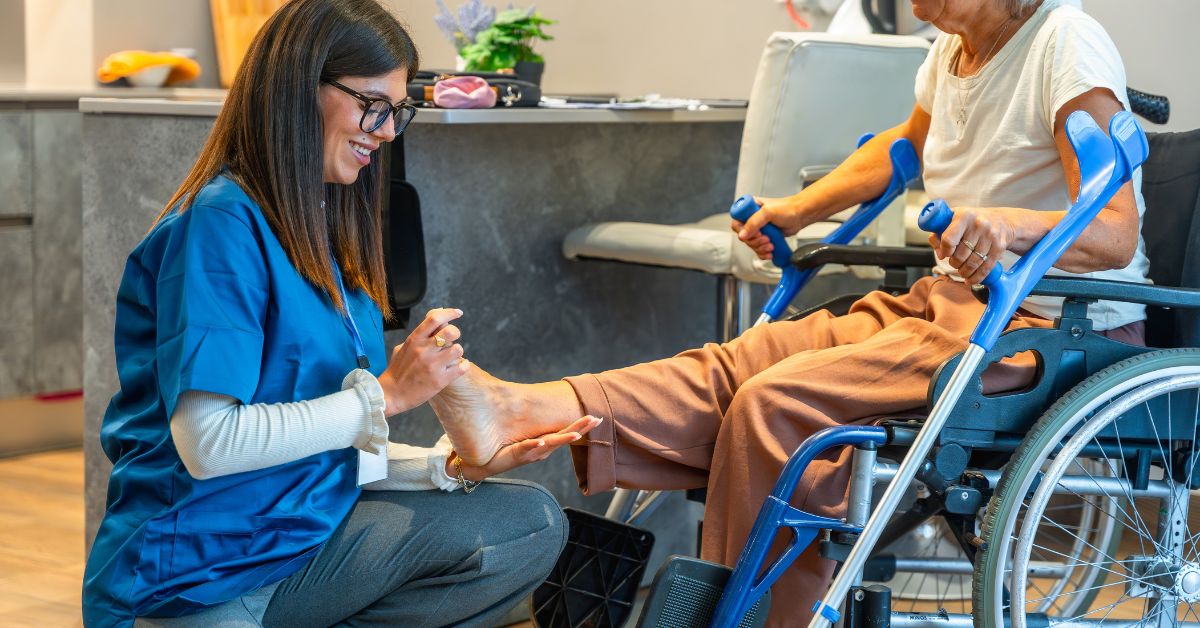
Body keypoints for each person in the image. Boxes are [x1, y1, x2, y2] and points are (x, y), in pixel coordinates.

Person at [429, 0, 1150, 624]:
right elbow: (903, 149)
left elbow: (1116, 232)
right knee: (740, 363)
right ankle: (521, 410)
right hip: (949, 303)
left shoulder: (1063, 41)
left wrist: (1007, 226)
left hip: (1050, 329)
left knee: (778, 404)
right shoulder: (951, 53)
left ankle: (761, 619)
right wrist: (795, 211)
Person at [82, 1, 599, 626]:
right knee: (518, 524)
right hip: (204, 571)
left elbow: (320, 450)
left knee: (524, 520)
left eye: (397, 112)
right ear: (300, 90)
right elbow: (209, 445)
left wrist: (446, 467)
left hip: (287, 539)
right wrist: (383, 397)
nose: (384, 131)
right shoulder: (219, 226)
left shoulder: (321, 233)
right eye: (371, 104)